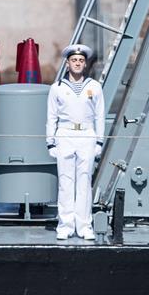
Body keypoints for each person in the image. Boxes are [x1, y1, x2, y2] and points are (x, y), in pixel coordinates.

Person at [46, 44, 105, 241]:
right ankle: (65, 224)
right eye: (74, 60)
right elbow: (51, 117)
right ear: (67, 63)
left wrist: (99, 141)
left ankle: (84, 225)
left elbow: (99, 116)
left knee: (84, 181)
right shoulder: (58, 88)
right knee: (65, 182)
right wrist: (50, 142)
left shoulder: (94, 87)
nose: (77, 63)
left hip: (86, 134)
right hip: (65, 133)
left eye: (81, 60)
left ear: (85, 63)